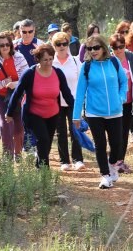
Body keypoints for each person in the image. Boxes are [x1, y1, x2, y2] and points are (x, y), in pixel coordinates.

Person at [6, 44, 74, 168]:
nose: (48, 62)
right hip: (34, 113)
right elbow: (17, 93)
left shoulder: (58, 73)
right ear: (38, 59)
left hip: (53, 114)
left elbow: (67, 94)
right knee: (43, 139)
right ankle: (44, 171)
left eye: (50, 59)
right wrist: (9, 112)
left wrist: (75, 111)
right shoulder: (30, 73)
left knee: (46, 144)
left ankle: (39, 165)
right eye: (45, 60)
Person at [72, 35, 127, 189]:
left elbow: (124, 82)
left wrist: (121, 97)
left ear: (103, 47)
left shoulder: (114, 62)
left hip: (115, 111)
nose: (93, 51)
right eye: (90, 48)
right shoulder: (87, 66)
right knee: (100, 144)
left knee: (117, 144)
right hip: (94, 112)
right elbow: (80, 93)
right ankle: (105, 175)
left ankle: (111, 166)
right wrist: (76, 116)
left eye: (96, 47)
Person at [0, 32, 29, 159]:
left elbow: (27, 78)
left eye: (7, 44)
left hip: (17, 97)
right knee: (5, 125)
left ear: (11, 44)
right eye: (1, 45)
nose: (5, 47)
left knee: (19, 129)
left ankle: (18, 154)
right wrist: (4, 83)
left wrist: (16, 84)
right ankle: (7, 159)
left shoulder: (19, 58)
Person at [109, 33, 133, 172]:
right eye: (115, 47)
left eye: (121, 46)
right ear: (110, 47)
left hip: (129, 103)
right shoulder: (108, 60)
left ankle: (120, 162)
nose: (118, 50)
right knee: (115, 133)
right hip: (113, 104)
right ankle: (112, 160)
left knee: (124, 132)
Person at [51, 31, 85, 171]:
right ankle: (64, 161)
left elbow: (82, 83)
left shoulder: (76, 61)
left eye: (65, 43)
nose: (62, 46)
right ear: (54, 46)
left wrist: (82, 103)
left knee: (75, 130)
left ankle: (78, 159)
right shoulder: (51, 62)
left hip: (74, 102)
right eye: (58, 44)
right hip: (56, 102)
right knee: (61, 132)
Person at [14, 19, 44, 149]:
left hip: (37, 84)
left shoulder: (40, 45)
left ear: (34, 31)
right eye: (24, 32)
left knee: (35, 115)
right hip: (18, 85)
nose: (27, 34)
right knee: (22, 116)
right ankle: (26, 145)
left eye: (30, 32)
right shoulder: (14, 45)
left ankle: (34, 144)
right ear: (19, 32)